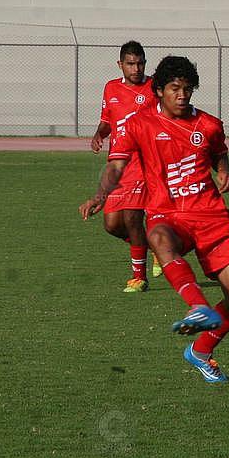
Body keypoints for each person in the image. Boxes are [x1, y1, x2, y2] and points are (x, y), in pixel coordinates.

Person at [80, 55, 229, 384]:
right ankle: (197, 306)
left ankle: (200, 351)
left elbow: (218, 151)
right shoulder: (138, 125)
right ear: (159, 90)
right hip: (169, 213)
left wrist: (225, 170)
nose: (182, 95)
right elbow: (115, 166)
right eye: (175, 88)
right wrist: (100, 196)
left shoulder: (209, 125)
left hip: (212, 215)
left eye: (187, 89)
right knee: (156, 237)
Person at [90, 40, 161, 292]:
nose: (136, 68)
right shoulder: (110, 88)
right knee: (112, 225)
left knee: (132, 216)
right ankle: (154, 248)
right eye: (130, 63)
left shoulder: (155, 87)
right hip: (119, 162)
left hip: (145, 162)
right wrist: (99, 133)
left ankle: (138, 277)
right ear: (120, 64)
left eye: (140, 63)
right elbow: (107, 119)